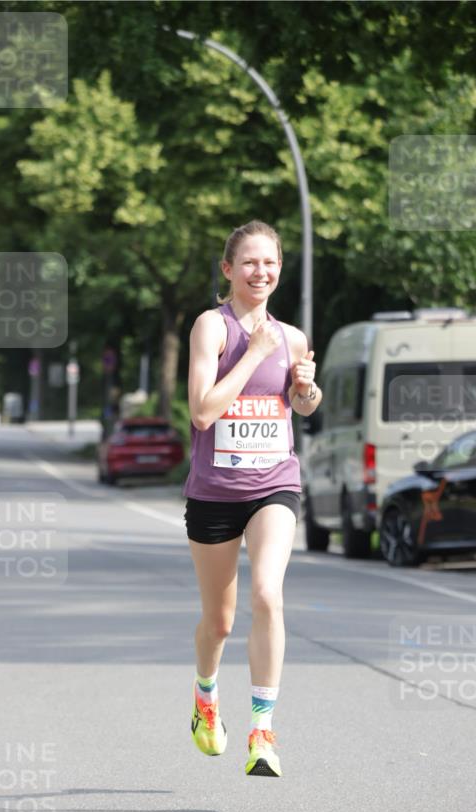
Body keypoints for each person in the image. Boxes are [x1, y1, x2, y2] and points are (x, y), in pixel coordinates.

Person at [183, 220, 322, 777]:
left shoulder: (292, 336)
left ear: (279, 269)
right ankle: (205, 696)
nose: (259, 272)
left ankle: (262, 731)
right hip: (215, 492)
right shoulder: (210, 329)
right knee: (218, 623)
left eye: (269, 263)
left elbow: (303, 406)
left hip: (274, 484)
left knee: (268, 594)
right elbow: (202, 412)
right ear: (228, 270)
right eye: (248, 263)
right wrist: (252, 353)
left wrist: (306, 390)